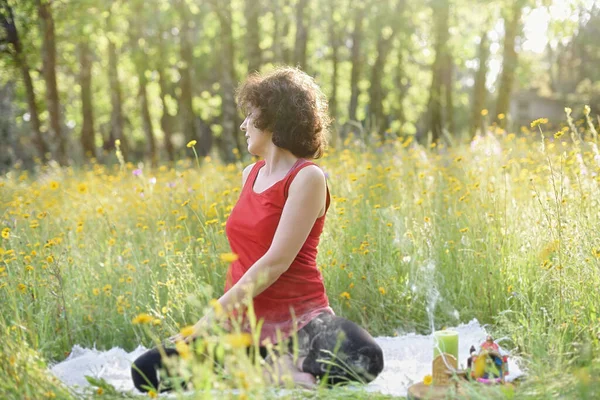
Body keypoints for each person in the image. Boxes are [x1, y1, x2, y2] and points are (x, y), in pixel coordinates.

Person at [131, 66, 384, 393]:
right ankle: (271, 369)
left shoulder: (308, 177)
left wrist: (209, 317)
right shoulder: (249, 174)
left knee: (364, 357)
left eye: (250, 115)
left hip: (303, 323)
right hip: (242, 328)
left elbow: (275, 262)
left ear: (275, 119)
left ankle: (271, 368)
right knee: (147, 372)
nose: (243, 124)